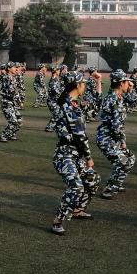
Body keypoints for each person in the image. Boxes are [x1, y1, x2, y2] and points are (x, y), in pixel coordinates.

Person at [50, 71, 99, 234]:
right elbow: (80, 136)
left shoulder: (72, 103)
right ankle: (58, 221)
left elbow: (95, 108)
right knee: (77, 187)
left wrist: (98, 83)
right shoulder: (68, 106)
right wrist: (89, 157)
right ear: (77, 85)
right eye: (83, 83)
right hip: (65, 155)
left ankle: (78, 209)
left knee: (92, 180)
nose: (84, 86)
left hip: (74, 155)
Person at [97, 70, 135, 199]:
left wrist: (131, 88)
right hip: (107, 139)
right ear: (120, 83)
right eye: (126, 82)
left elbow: (133, 101)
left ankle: (115, 183)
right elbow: (116, 126)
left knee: (130, 159)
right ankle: (109, 189)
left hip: (112, 138)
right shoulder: (114, 99)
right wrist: (122, 141)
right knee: (123, 162)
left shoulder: (117, 96)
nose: (128, 84)